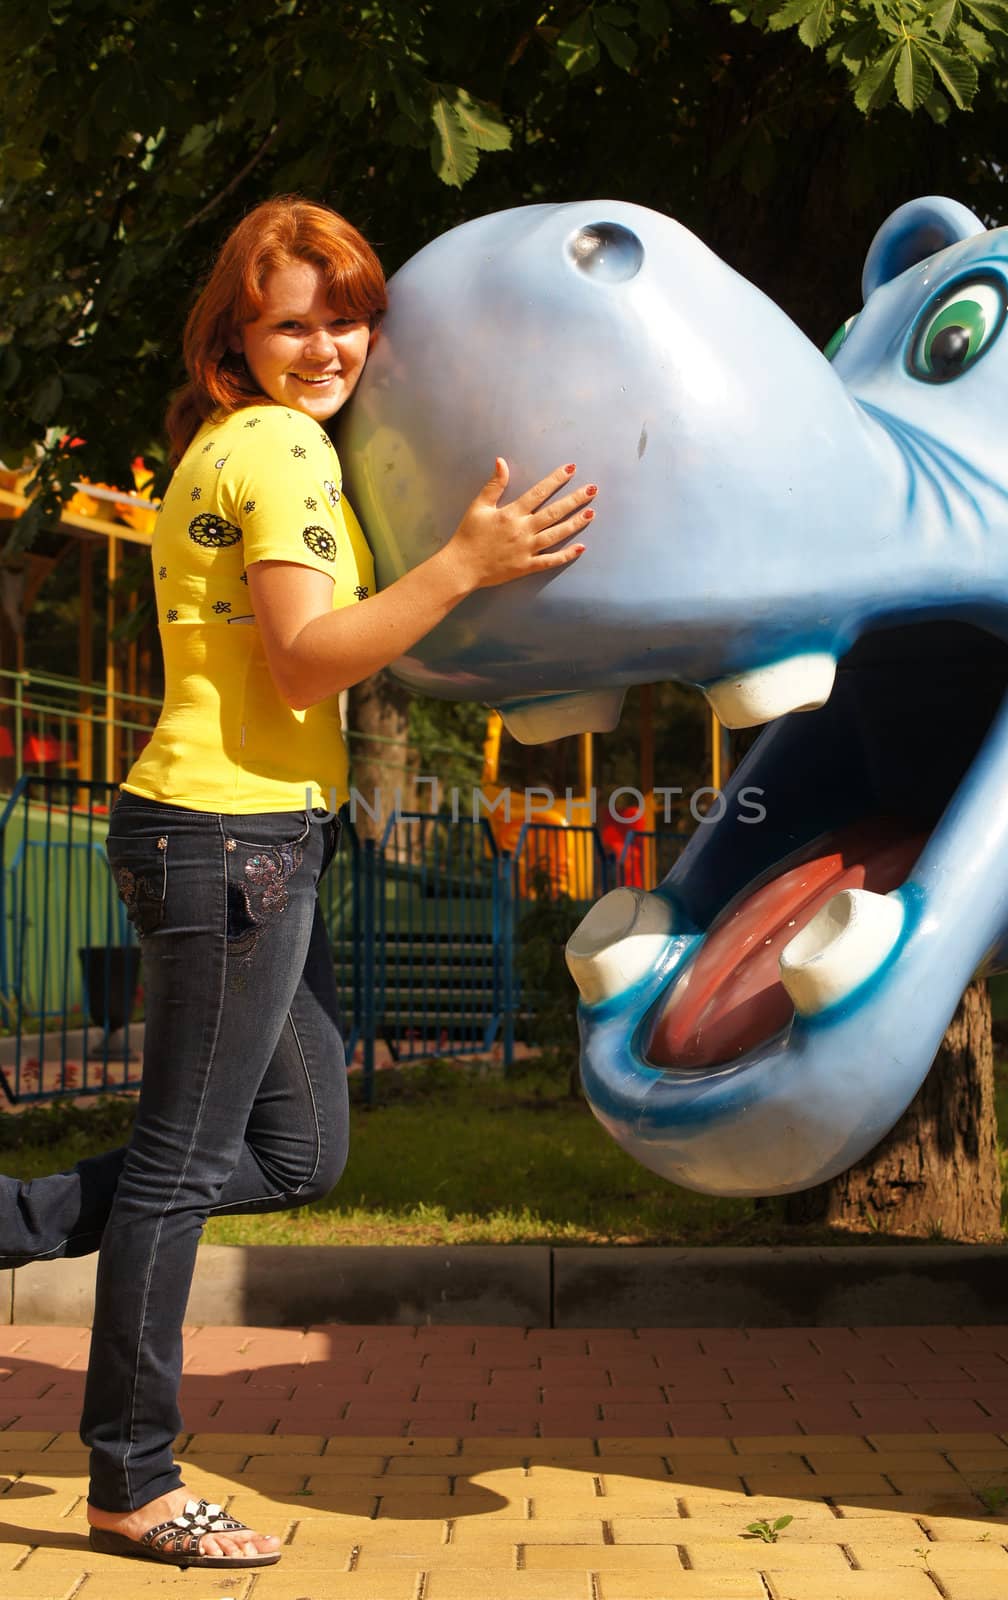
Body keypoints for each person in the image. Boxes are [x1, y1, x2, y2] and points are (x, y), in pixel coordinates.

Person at [0, 196, 596, 1569]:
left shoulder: (256, 444)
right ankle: (133, 1482)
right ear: (237, 341)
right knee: (179, 1168)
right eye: (292, 321)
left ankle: (20, 1223)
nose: (327, 345)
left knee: (296, 1151)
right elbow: (307, 657)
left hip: (262, 838)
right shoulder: (274, 447)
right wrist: (465, 564)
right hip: (227, 843)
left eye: (347, 316)